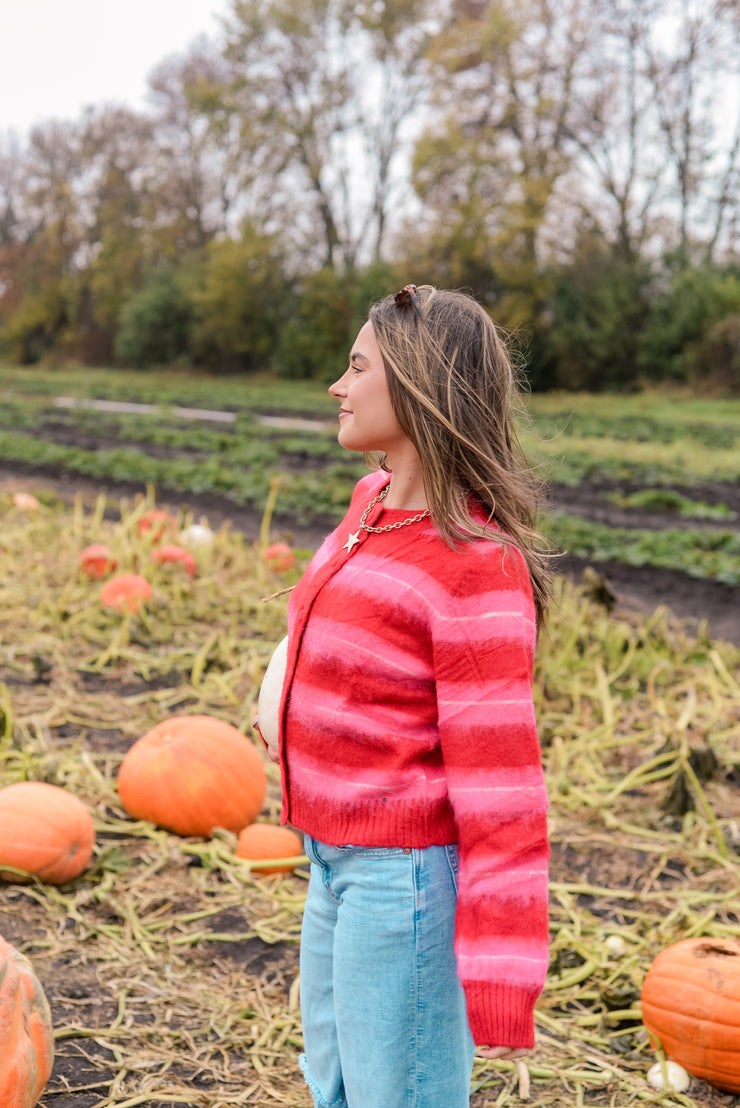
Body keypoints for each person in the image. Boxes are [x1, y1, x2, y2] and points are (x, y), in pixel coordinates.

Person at [258, 284, 551, 1108]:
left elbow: (504, 795)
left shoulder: (475, 565)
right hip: (331, 857)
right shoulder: (370, 508)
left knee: (401, 1095)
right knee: (338, 1087)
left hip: (406, 880)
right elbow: (324, 624)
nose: (336, 386)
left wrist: (501, 974)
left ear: (418, 385)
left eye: (356, 366)